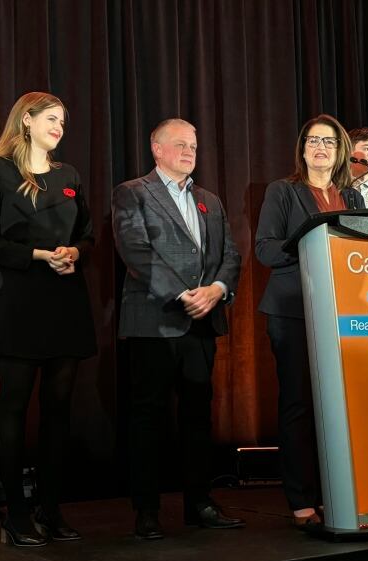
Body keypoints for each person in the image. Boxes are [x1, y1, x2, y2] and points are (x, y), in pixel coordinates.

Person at [0, 92, 97, 546]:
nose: (60, 126)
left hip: (66, 302)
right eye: (51, 118)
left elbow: (87, 234)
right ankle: (16, 515)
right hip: (20, 303)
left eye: (63, 120)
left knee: (59, 410)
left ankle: (51, 510)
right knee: (15, 405)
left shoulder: (69, 175)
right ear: (26, 120)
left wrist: (76, 252)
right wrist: (37, 255)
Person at [112, 118, 243, 539]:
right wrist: (183, 294)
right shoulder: (132, 192)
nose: (189, 152)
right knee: (147, 419)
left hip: (203, 324)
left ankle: (199, 504)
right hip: (154, 322)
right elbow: (134, 249)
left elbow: (231, 253)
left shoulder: (210, 199)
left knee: (197, 417)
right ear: (156, 148)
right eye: (180, 145)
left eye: (194, 146)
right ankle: (146, 511)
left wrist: (218, 289)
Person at [256, 114, 365, 527]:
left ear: (339, 152)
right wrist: (313, 245)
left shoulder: (351, 198)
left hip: (348, 313)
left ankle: (338, 492)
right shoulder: (283, 192)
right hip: (293, 312)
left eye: (329, 142)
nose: (320, 148)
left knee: (343, 406)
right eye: (313, 141)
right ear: (302, 149)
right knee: (301, 404)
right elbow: (266, 249)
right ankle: (302, 499)